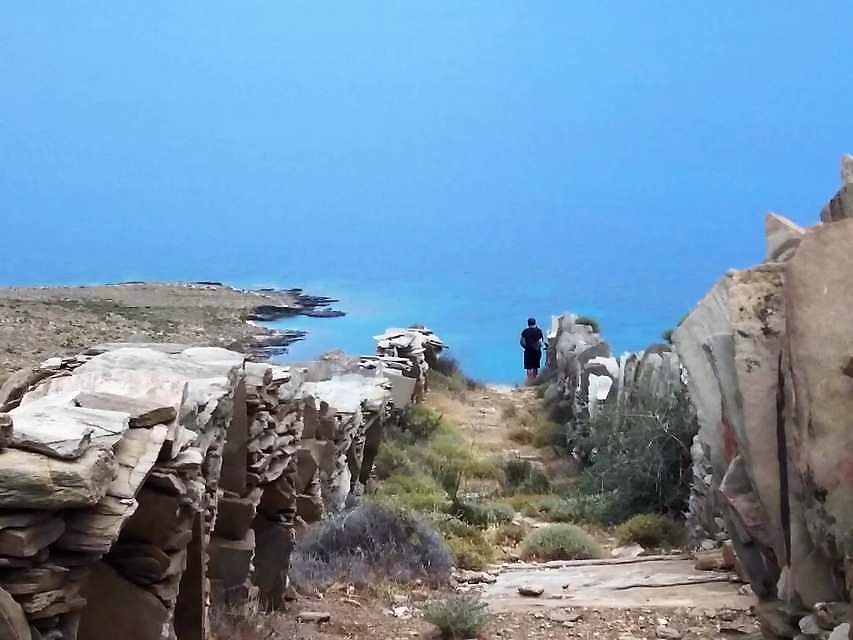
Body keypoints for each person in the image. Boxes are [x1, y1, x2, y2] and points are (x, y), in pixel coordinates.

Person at [520, 317, 545, 382]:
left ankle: (529, 380)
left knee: (528, 367)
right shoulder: (539, 331)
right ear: (535, 323)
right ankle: (534, 380)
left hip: (528, 351)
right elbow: (540, 341)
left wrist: (526, 347)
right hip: (537, 351)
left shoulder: (525, 331)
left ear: (528, 324)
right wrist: (541, 347)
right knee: (535, 366)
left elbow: (522, 342)